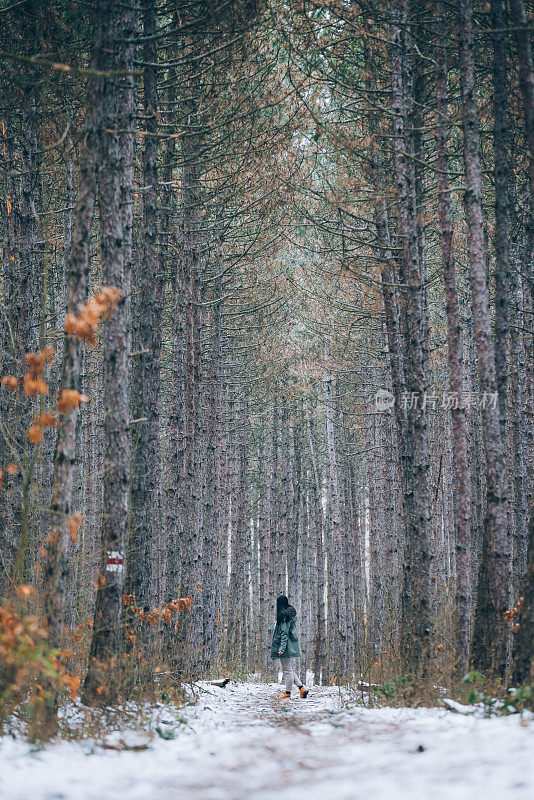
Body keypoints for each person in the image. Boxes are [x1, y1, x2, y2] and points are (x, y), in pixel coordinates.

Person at [270, 594, 309, 699]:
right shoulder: (289, 615)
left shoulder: (284, 617)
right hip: (289, 645)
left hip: (285, 647)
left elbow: (284, 634)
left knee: (287, 670)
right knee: (289, 669)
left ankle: (287, 693)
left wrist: (281, 649)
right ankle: (301, 688)